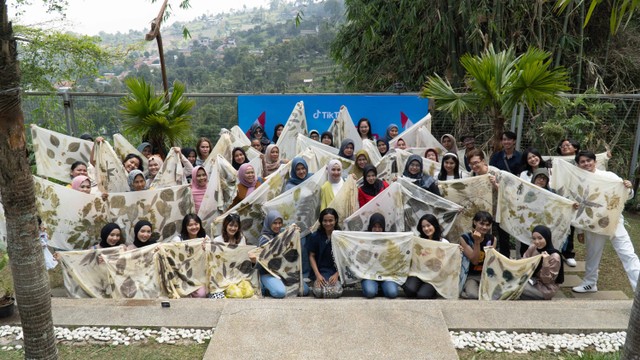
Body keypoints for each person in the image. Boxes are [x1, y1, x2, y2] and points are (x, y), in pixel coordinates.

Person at [571, 150, 640, 293]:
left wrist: (629, 188)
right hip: (593, 223)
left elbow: (626, 196)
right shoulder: (578, 181)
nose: (586, 164)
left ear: (595, 161)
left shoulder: (609, 176)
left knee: (627, 253)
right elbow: (577, 206)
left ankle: (638, 288)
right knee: (592, 253)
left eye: (588, 160)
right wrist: (579, 230)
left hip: (614, 221)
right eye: (582, 162)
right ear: (578, 165)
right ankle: (590, 283)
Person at [251, 210, 308, 298]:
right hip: (268, 273)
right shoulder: (264, 239)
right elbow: (266, 260)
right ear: (269, 223)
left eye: (280, 223)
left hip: (283, 272)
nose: (278, 226)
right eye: (274, 223)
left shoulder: (282, 233)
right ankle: (264, 285)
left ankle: (278, 284)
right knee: (280, 293)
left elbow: (289, 236)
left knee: (304, 290)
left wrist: (294, 232)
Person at [403, 214, 448, 299]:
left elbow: (447, 262)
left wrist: (457, 250)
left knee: (422, 295)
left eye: (428, 225)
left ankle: (431, 290)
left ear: (434, 225)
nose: (426, 229)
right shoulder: (419, 241)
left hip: (433, 278)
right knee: (409, 290)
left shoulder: (444, 243)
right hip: (419, 274)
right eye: (423, 226)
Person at [520, 225, 564, 300]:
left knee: (517, 287)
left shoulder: (554, 257)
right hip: (531, 280)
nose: (537, 242)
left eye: (540, 238)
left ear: (547, 238)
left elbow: (546, 280)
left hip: (546, 288)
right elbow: (524, 262)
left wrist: (545, 263)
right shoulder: (533, 248)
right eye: (534, 239)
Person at [460, 211, 496, 299]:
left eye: (487, 225)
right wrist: (477, 242)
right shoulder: (465, 238)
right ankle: (462, 291)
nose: (484, 227)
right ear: (475, 222)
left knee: (496, 295)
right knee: (473, 295)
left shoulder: (492, 239)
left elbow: (491, 261)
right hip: (470, 276)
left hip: (486, 276)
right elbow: (475, 261)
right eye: (481, 224)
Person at [307, 208, 343, 298]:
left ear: (336, 220)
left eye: (331, 220)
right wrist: (318, 275)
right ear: (321, 221)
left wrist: (337, 274)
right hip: (320, 271)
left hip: (335, 272)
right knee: (319, 292)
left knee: (334, 292)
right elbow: (311, 256)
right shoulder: (315, 236)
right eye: (325, 221)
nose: (328, 223)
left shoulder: (341, 236)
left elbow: (345, 257)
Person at [555, 138, 580, 267]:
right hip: (557, 197)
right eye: (562, 145)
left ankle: (568, 253)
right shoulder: (555, 161)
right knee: (556, 224)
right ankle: (555, 251)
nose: (564, 147)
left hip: (574, 198)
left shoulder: (580, 162)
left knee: (570, 225)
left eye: (568, 145)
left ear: (575, 148)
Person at [361, 213, 398, 299]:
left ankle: (381, 287)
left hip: (387, 275)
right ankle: (374, 287)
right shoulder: (363, 238)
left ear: (384, 227)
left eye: (380, 227)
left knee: (392, 293)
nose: (377, 230)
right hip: (369, 275)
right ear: (370, 226)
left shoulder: (389, 239)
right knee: (370, 292)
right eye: (374, 227)